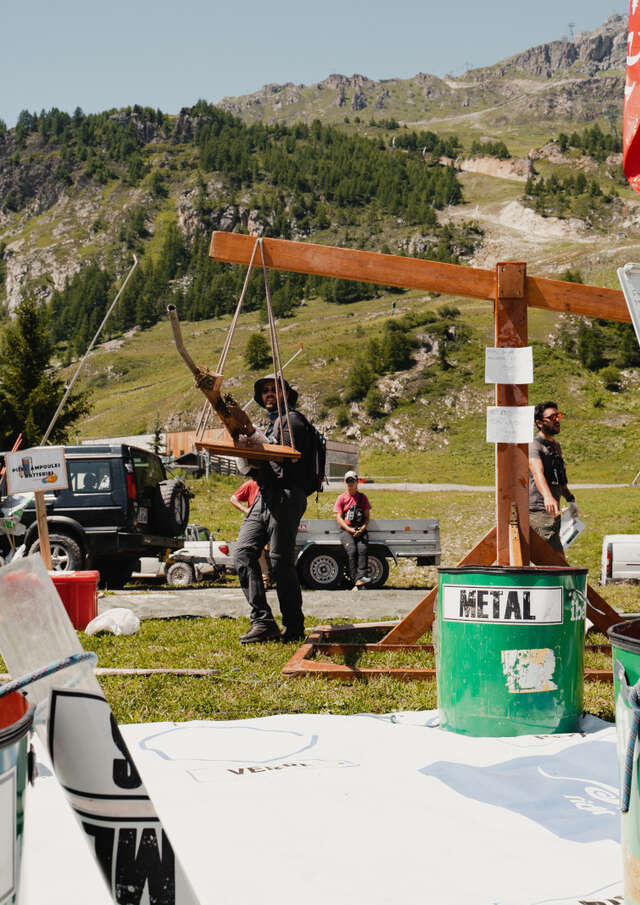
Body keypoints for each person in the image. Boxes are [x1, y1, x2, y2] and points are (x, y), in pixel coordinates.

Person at [234, 375, 312, 644]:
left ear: (287, 394)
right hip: (265, 494)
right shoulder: (272, 425)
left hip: (288, 494)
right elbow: (261, 463)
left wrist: (255, 440)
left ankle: (293, 626)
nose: (268, 394)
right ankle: (263, 621)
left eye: (274, 390)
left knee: (279, 562)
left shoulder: (294, 421)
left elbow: (285, 454)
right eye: (265, 391)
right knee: (244, 553)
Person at [528, 401, 578, 554]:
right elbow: (538, 473)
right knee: (553, 561)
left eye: (559, 415)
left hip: (554, 512)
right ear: (539, 423)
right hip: (539, 511)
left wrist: (570, 500)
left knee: (554, 560)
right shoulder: (533, 446)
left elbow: (559, 478)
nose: (557, 420)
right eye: (552, 417)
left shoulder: (556, 446)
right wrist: (548, 497)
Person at [333, 470, 371, 589]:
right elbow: (338, 518)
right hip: (346, 530)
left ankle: (361, 579)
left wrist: (362, 529)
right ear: (345, 482)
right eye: (348, 481)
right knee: (352, 551)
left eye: (352, 481)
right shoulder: (341, 498)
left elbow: (366, 517)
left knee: (362, 549)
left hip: (360, 529)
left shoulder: (363, 498)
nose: (350, 484)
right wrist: (350, 529)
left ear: (357, 482)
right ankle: (355, 580)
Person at [229, 479, 271, 588]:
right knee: (258, 551)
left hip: (272, 519)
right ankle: (264, 579)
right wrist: (246, 510)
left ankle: (267, 578)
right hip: (257, 520)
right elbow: (233, 499)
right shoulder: (251, 483)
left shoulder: (274, 482)